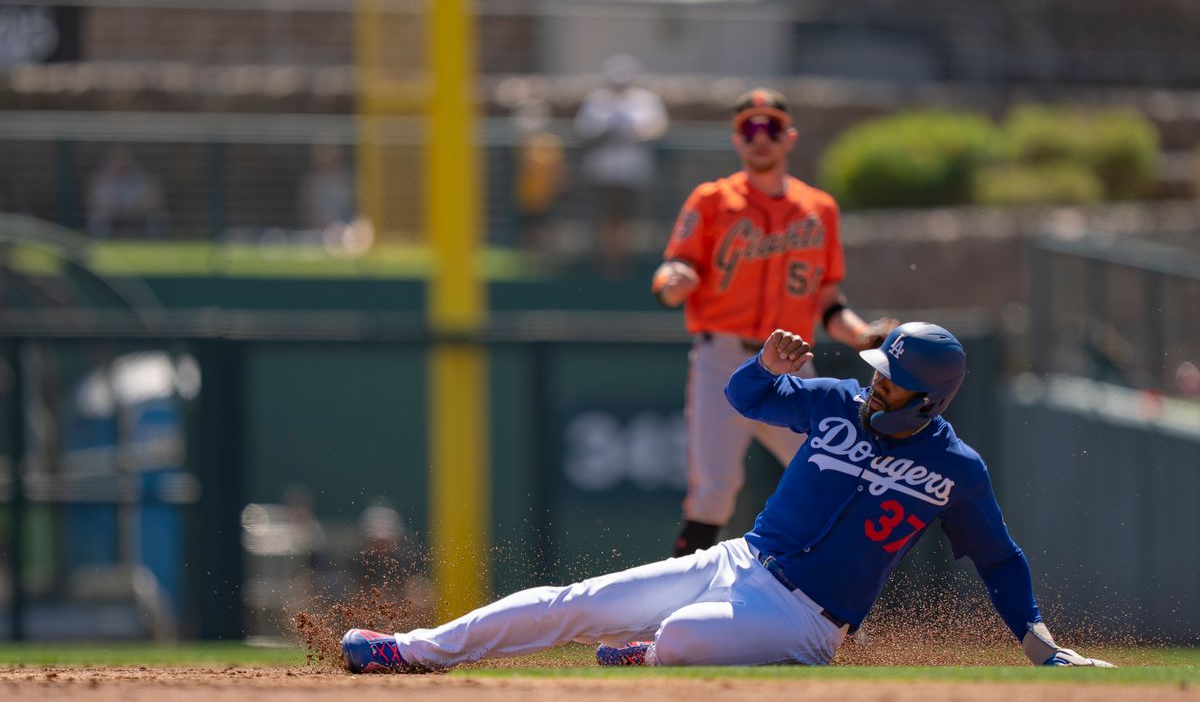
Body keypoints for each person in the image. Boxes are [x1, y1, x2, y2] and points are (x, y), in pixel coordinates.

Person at [339, 322, 1114, 671]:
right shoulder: (839, 400)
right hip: (739, 560)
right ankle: (410, 650)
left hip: (808, 620)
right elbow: (751, 399)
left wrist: (1040, 647)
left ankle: (653, 655)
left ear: (928, 403)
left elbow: (1000, 560)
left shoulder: (957, 469)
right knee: (575, 600)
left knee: (678, 636)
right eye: (879, 370)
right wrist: (767, 364)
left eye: (893, 381)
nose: (876, 383)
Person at [654, 88, 896, 557]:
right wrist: (671, 281)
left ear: (789, 137)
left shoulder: (818, 208)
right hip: (722, 358)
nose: (759, 138)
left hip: (792, 363)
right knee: (714, 491)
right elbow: (670, 271)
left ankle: (834, 611)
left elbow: (829, 303)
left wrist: (863, 335)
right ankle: (671, 607)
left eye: (770, 128)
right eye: (749, 127)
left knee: (837, 474)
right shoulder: (711, 200)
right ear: (736, 139)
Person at [574, 54, 668, 276]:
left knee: (628, 218)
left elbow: (656, 127)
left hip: (632, 171)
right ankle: (605, 263)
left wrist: (633, 133)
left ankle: (625, 263)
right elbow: (585, 129)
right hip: (603, 170)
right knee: (604, 217)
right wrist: (608, 131)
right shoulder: (597, 100)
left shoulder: (645, 101)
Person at [511, 98, 566, 256]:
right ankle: (530, 258)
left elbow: (558, 170)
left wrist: (558, 187)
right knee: (529, 229)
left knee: (545, 229)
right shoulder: (524, 142)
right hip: (528, 196)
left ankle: (543, 257)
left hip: (547, 196)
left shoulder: (551, 142)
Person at [86, 145, 169, 238]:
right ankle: (101, 242)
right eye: (116, 158)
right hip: (111, 214)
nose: (120, 162)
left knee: (157, 216)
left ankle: (157, 243)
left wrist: (136, 209)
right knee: (98, 218)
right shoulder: (100, 178)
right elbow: (94, 203)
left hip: (138, 212)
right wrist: (113, 209)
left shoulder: (141, 176)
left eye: (124, 158)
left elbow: (152, 199)